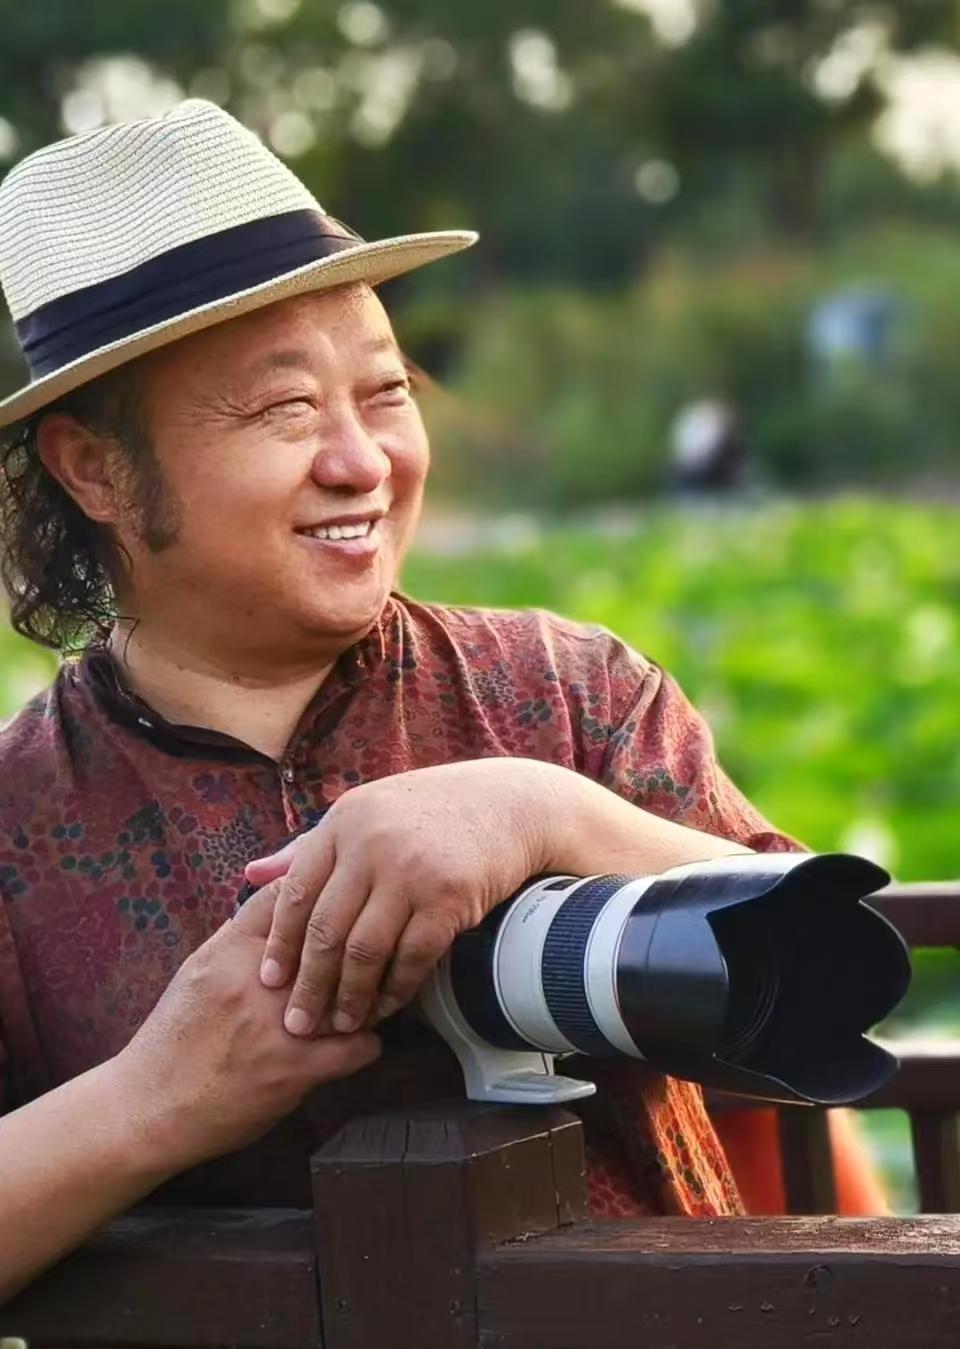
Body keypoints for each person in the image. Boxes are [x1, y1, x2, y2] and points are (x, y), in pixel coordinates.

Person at [0, 100, 850, 1302]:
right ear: (93, 467)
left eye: (385, 392)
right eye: (285, 409)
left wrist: (540, 813)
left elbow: (832, 972)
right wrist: (156, 1098)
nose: (363, 460)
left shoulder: (570, 692)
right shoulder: (16, 819)